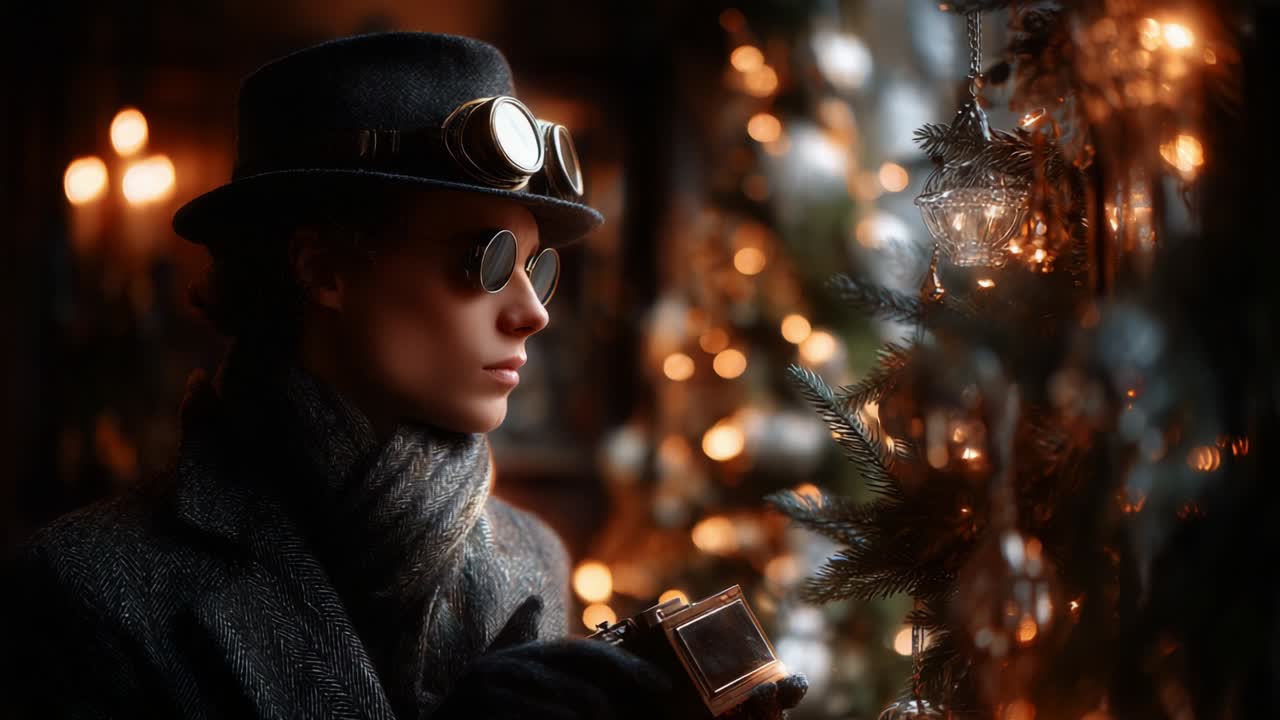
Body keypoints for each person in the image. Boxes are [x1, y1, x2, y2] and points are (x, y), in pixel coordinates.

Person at [6, 31, 806, 719]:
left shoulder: (534, 557)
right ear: (323, 269)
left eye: (539, 267)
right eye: (486, 261)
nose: (533, 311)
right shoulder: (82, 588)